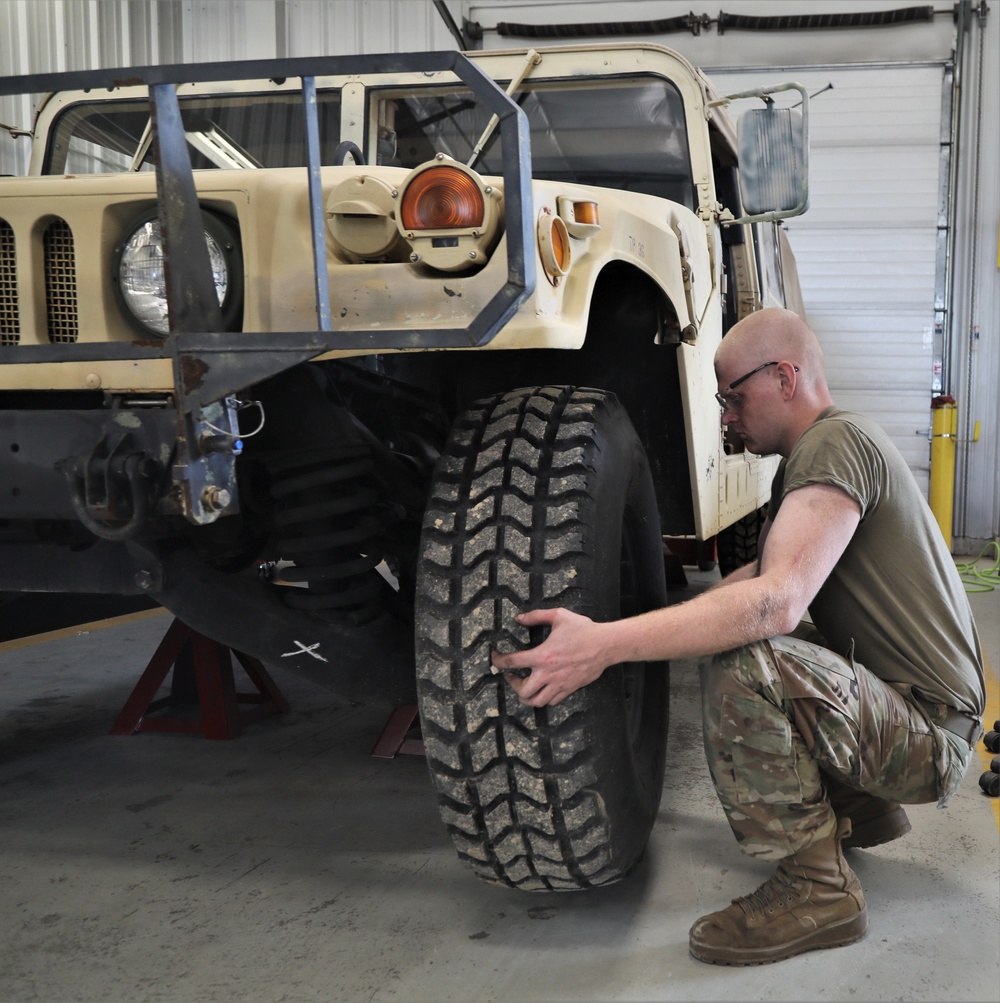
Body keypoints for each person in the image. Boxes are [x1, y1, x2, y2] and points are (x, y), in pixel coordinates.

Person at [491, 307, 985, 967]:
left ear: (785, 376)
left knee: (744, 659)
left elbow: (773, 601)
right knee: (744, 634)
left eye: (734, 395)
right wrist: (627, 625)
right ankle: (861, 810)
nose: (726, 415)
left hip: (930, 737)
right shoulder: (824, 453)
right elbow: (755, 576)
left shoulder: (833, 445)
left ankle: (818, 888)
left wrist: (604, 646)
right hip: (925, 714)